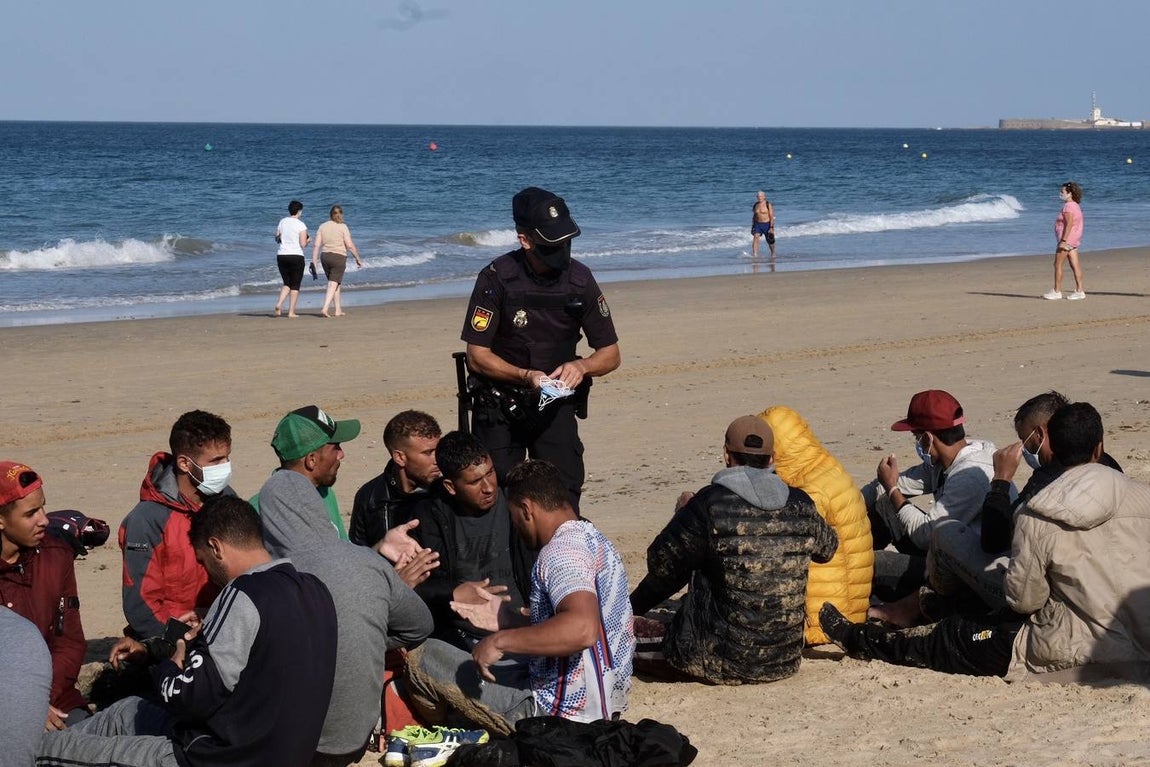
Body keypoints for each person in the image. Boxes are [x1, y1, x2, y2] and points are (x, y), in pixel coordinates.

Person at [820, 401, 1150, 682]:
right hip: (1140, 638)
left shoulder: (1038, 511)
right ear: (1099, 447)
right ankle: (923, 605)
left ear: (1049, 445)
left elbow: (1023, 599)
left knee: (953, 639)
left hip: (1080, 646)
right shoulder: (1141, 496)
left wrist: (1002, 482)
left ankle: (861, 638)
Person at [36, 495, 339, 767]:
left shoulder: (243, 594)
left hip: (220, 756)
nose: (207, 573)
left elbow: (188, 698)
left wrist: (171, 664)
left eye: (204, 563)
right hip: (278, 747)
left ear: (216, 547)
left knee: (54, 750)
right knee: (125, 712)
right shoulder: (315, 590)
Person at [258, 405, 435, 766]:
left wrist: (374, 554)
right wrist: (377, 600)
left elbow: (329, 567)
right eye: (334, 446)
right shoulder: (331, 505)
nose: (341, 453)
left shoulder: (295, 506)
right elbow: (417, 623)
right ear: (311, 460)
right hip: (343, 738)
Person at [404, 460, 634, 737]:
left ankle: (443, 731)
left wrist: (500, 641)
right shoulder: (594, 539)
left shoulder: (559, 554)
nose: (517, 527)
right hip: (606, 700)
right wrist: (510, 621)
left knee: (421, 655)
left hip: (555, 715)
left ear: (526, 509)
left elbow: (582, 630)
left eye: (514, 518)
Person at [629, 416, 838, 684]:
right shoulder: (801, 504)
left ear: (726, 455)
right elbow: (828, 549)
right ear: (772, 459)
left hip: (716, 660)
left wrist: (683, 513)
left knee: (609, 632)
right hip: (783, 658)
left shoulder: (709, 504)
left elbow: (660, 563)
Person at [461, 186, 621, 511]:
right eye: (552, 244)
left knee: (562, 495)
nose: (562, 251)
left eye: (566, 241)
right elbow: (477, 356)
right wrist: (525, 375)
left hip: (555, 402)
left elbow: (610, 353)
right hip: (500, 404)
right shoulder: (496, 279)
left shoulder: (580, 279)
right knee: (495, 500)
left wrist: (583, 366)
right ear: (525, 240)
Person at [862, 390, 1001, 607]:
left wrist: (892, 490)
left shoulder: (971, 475)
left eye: (917, 437)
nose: (917, 443)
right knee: (884, 508)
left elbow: (925, 535)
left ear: (927, 438)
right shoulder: (944, 460)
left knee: (870, 563)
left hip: (964, 571)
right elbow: (889, 483)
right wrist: (851, 504)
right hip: (940, 547)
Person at [408, 431, 534, 651]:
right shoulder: (427, 517)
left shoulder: (519, 500)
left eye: (490, 472)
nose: (488, 487)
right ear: (450, 486)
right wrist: (453, 592)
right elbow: (413, 585)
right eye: (475, 481)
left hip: (524, 629)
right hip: (461, 641)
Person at [119, 410, 234, 639]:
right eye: (216, 461)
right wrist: (179, 638)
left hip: (223, 631)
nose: (225, 467)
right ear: (184, 463)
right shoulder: (147, 520)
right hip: (171, 639)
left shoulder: (227, 501)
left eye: (227, 458)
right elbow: (141, 604)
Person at [0, 462, 88, 732]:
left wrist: (38, 700)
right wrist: (20, 706)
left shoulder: (57, 556)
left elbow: (69, 643)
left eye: (43, 507)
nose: (45, 520)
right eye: (31, 513)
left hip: (57, 697)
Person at [349, 410, 442, 549]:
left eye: (438, 450)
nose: (437, 460)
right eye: (428, 453)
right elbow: (358, 556)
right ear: (399, 458)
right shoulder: (370, 498)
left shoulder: (449, 492)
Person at [1, 608, 51, 767]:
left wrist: (41, 700)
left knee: (122, 715)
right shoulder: (19, 633)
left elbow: (70, 642)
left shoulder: (17, 633)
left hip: (52, 697)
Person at [312, 205, 363, 318]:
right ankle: (325, 308)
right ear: (341, 214)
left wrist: (314, 261)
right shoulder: (343, 227)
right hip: (338, 257)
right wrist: (358, 258)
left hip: (325, 257)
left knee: (335, 283)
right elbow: (349, 245)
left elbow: (316, 245)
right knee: (332, 283)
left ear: (330, 214)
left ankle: (338, 310)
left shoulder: (322, 226)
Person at [1044, 181, 1085, 300]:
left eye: (1062, 192)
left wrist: (1063, 240)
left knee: (1057, 264)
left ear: (1070, 193)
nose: (1060, 193)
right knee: (1075, 265)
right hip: (1074, 239)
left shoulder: (1068, 207)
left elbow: (1069, 224)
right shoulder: (1075, 205)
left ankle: (1056, 291)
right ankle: (1079, 290)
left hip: (1067, 240)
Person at [275, 199, 310, 317]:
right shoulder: (301, 225)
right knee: (295, 285)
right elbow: (303, 244)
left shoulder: (282, 221)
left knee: (286, 283)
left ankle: (279, 304)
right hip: (296, 255)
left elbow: (277, 238)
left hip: (281, 255)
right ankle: (291, 312)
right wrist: (309, 240)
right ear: (299, 211)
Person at [751, 190, 776, 259]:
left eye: (761, 196)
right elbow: (754, 216)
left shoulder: (768, 204)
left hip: (767, 224)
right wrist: (752, 226)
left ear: (764, 197)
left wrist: (771, 227)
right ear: (756, 197)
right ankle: (755, 254)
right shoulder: (755, 205)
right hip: (758, 224)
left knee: (770, 240)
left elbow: (771, 216)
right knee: (756, 237)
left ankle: (773, 253)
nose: (760, 197)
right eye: (758, 196)